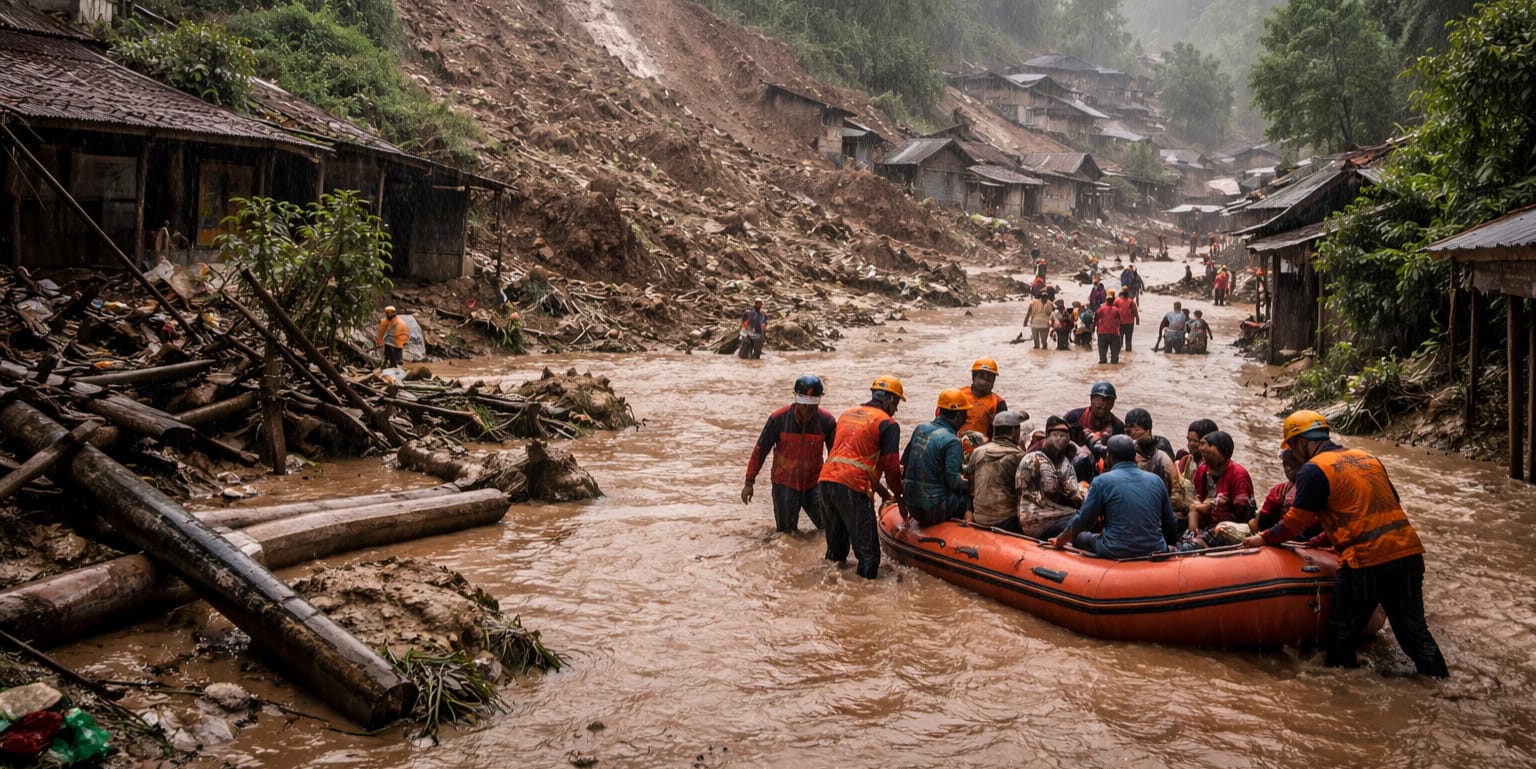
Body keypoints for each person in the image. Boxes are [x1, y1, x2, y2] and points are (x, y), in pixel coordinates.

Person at [1242, 411, 1449, 678]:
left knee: (1340, 635)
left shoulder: (1313, 470)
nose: (1293, 452)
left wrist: (1262, 538)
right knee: (1415, 634)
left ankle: (1343, 695)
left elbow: (1295, 522)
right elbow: (1374, 508)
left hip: (1365, 562)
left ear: (1302, 442)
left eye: (1293, 445)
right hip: (1407, 553)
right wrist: (1318, 542)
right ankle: (1442, 688)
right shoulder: (1367, 459)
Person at [818, 376, 906, 580]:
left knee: (836, 552)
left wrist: (884, 494)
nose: (896, 409)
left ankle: (831, 593)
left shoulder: (847, 414)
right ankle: (860, 603)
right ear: (890, 400)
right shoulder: (888, 424)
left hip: (826, 482)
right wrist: (900, 499)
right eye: (897, 403)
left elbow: (853, 459)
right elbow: (891, 467)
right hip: (853, 488)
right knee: (869, 555)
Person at [1053, 435, 1178, 558]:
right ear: (1135, 457)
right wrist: (1165, 545)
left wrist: (1061, 539)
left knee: (1080, 537)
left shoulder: (1101, 481)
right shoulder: (1156, 480)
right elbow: (1171, 522)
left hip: (1115, 549)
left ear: (1110, 457)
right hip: (1154, 548)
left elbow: (1084, 520)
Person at [742, 375, 838, 534]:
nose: (807, 412)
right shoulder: (778, 419)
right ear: (796, 401)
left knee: (830, 530)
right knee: (786, 535)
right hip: (784, 484)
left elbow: (835, 456)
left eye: (812, 408)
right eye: (804, 407)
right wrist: (749, 482)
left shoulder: (826, 421)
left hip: (814, 485)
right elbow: (760, 450)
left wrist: (833, 486)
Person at [902, 389, 972, 526]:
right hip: (933, 509)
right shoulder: (952, 441)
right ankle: (968, 522)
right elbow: (954, 481)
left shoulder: (920, 428)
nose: (966, 419)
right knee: (970, 494)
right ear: (958, 415)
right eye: (964, 415)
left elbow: (904, 464)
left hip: (911, 505)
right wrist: (973, 483)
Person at [1183, 430, 1255, 548]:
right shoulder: (1202, 470)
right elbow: (1196, 498)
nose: (1204, 454)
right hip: (1206, 521)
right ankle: (1193, 540)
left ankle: (1200, 546)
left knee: (1222, 529)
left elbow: (1243, 513)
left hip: (1230, 526)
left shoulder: (1238, 475)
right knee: (1190, 513)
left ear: (1222, 452)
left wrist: (1214, 506)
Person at [1017, 416, 1083, 538]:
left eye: (1065, 434)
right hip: (1037, 519)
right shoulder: (1031, 460)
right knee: (1081, 523)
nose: (1061, 438)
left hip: (1060, 514)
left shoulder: (1065, 463)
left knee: (1090, 518)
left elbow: (1074, 494)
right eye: (1056, 434)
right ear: (1047, 436)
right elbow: (1025, 492)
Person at [966, 411, 1028, 533]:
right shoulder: (1018, 456)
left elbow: (970, 486)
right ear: (1015, 431)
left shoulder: (978, 452)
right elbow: (1024, 494)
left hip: (979, 517)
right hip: (1005, 520)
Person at [1064, 380, 1125, 483]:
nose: (1103, 404)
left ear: (1113, 403)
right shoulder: (1074, 417)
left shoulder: (1117, 426)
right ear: (1092, 399)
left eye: (1107, 400)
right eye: (1099, 399)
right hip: (1075, 462)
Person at [955, 357, 1010, 454]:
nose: (984, 382)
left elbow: (1003, 436)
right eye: (981, 377)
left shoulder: (998, 403)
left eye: (989, 378)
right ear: (973, 377)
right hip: (955, 446)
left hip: (982, 452)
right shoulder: (959, 395)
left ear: (993, 381)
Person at [1095, 294, 1122, 364]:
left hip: (1102, 332)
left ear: (1106, 301)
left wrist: (1096, 328)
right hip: (1114, 332)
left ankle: (1103, 362)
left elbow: (1096, 318)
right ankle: (1114, 363)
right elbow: (1120, 319)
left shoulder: (1101, 309)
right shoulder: (1116, 310)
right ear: (1113, 301)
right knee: (1115, 354)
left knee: (1102, 351)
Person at [1117, 289, 1140, 353]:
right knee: (1128, 339)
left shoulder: (1117, 301)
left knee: (1120, 339)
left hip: (1121, 323)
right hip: (1129, 323)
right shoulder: (1131, 301)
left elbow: (1113, 310)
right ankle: (1128, 352)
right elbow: (1135, 312)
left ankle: (1118, 353)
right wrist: (1137, 320)